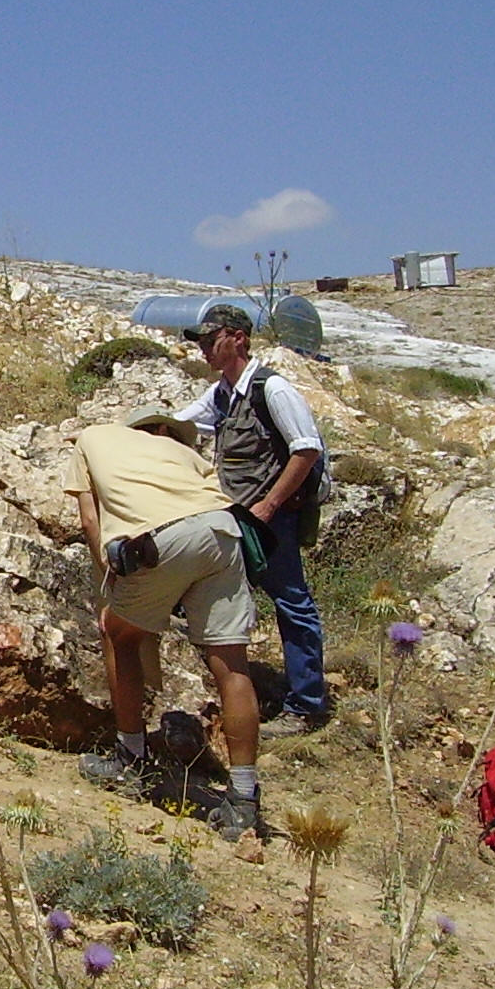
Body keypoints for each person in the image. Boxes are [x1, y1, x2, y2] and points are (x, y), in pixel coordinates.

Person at [66, 410, 266, 841]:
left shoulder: (92, 438)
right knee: (232, 665)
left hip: (160, 540)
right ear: (163, 433)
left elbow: (89, 521)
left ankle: (130, 759)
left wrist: (112, 579)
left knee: (119, 635)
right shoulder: (184, 453)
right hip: (223, 531)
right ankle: (245, 798)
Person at [175, 302, 331, 734]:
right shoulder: (222, 393)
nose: (205, 349)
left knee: (291, 601)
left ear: (238, 338)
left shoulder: (273, 389)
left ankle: (307, 705)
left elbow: (306, 449)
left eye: (212, 340)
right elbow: (184, 423)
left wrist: (270, 506)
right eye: (202, 342)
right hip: (237, 515)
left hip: (270, 519)